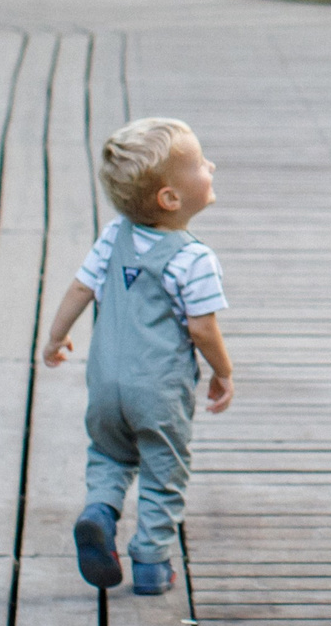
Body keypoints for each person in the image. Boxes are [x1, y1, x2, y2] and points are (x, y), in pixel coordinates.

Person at [41, 116, 235, 596]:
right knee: (162, 470)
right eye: (198, 163)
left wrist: (55, 337)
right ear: (170, 199)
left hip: (105, 383)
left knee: (109, 454)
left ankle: (100, 513)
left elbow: (81, 286)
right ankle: (150, 563)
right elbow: (201, 326)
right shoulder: (194, 258)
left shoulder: (114, 236)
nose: (210, 165)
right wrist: (223, 372)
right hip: (159, 389)